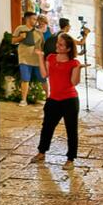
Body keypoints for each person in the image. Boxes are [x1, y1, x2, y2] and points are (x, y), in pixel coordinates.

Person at [32, 32, 81, 167]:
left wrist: (78, 69)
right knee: (47, 127)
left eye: (61, 44)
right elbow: (44, 74)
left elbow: (74, 82)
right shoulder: (51, 58)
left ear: (68, 49)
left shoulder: (74, 63)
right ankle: (41, 152)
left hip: (69, 100)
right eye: (57, 43)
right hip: (53, 99)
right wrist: (40, 58)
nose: (57, 46)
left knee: (71, 129)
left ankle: (70, 159)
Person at [12, 10, 45, 106]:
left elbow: (42, 45)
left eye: (36, 19)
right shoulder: (20, 28)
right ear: (27, 19)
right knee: (25, 79)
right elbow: (13, 41)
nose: (36, 21)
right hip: (24, 59)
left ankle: (49, 98)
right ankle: (23, 100)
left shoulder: (39, 32)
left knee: (43, 79)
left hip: (37, 60)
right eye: (34, 19)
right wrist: (20, 38)